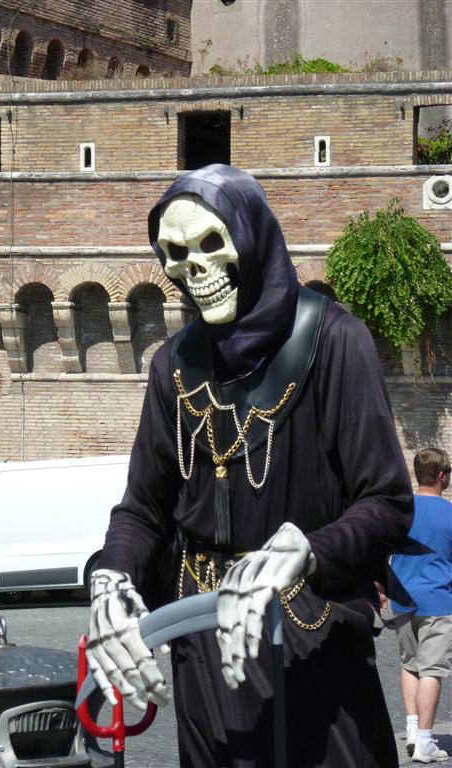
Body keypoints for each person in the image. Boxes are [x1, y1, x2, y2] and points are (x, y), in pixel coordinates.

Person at [85, 165, 413, 767]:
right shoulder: (173, 365)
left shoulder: (336, 341)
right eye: (175, 254)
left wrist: (308, 550)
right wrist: (111, 578)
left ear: (251, 235)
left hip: (311, 638)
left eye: (212, 244)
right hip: (205, 650)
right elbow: (144, 508)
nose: (195, 270)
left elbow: (387, 501)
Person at [391, 447, 452, 764]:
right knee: (432, 669)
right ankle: (426, 741)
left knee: (409, 665)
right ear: (442, 476)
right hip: (437, 601)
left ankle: (413, 729)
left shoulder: (400, 511)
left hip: (402, 599)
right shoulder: (449, 514)